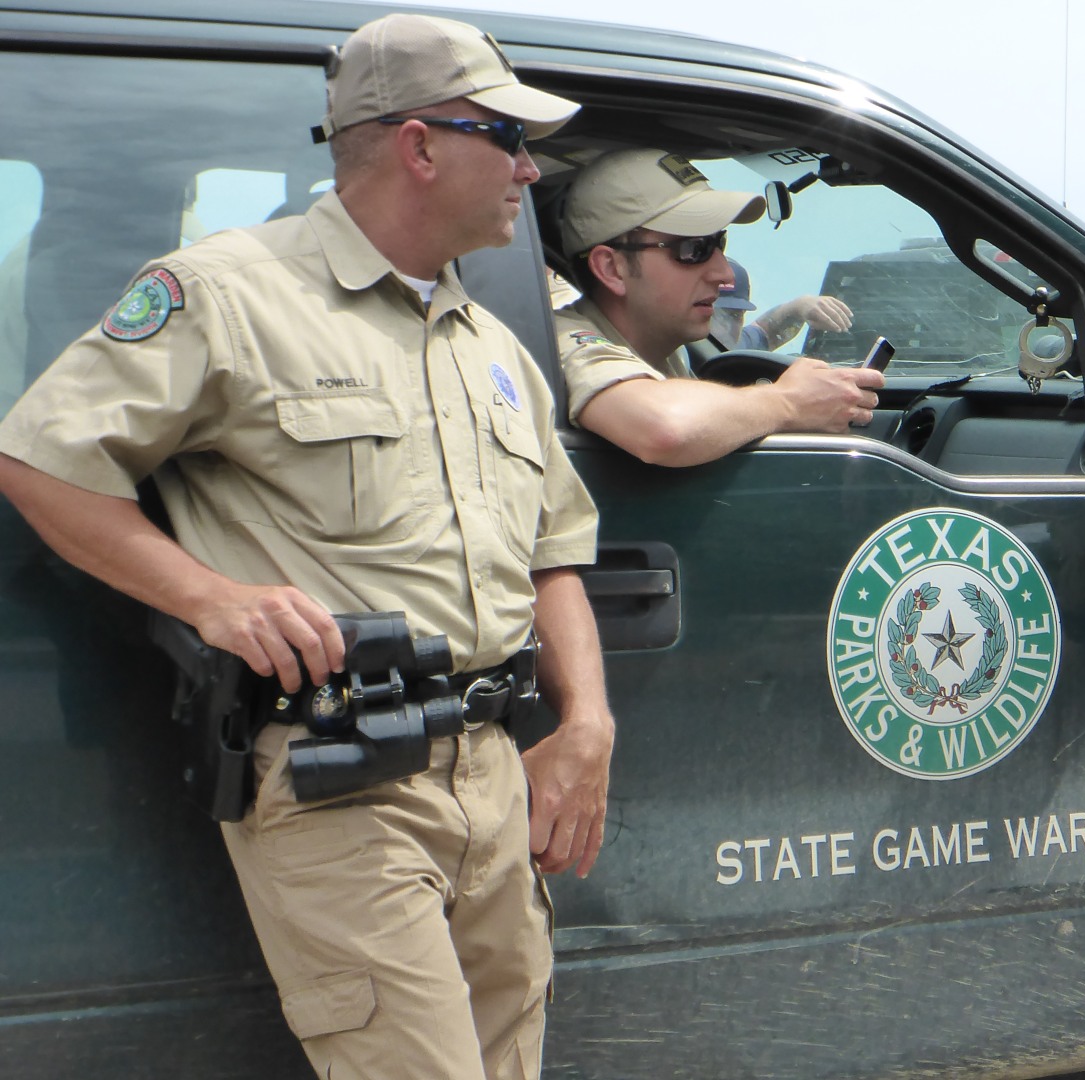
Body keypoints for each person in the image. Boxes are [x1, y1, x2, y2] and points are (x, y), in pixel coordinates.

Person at [0, 14, 616, 1079]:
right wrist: (209, 598)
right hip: (344, 777)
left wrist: (589, 724)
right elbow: (40, 458)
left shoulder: (494, 346)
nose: (529, 166)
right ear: (420, 145)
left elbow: (554, 550)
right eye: (504, 137)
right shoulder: (229, 295)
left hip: (490, 770)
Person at [553, 148, 883, 467]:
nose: (724, 274)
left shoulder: (661, 351)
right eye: (694, 248)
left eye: (718, 243)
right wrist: (789, 402)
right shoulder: (565, 341)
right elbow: (665, 428)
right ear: (612, 269)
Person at [711, 256, 856, 353]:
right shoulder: (688, 357)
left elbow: (766, 332)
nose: (728, 327)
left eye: (736, 316)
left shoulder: (735, 348)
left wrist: (800, 306)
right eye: (717, 315)